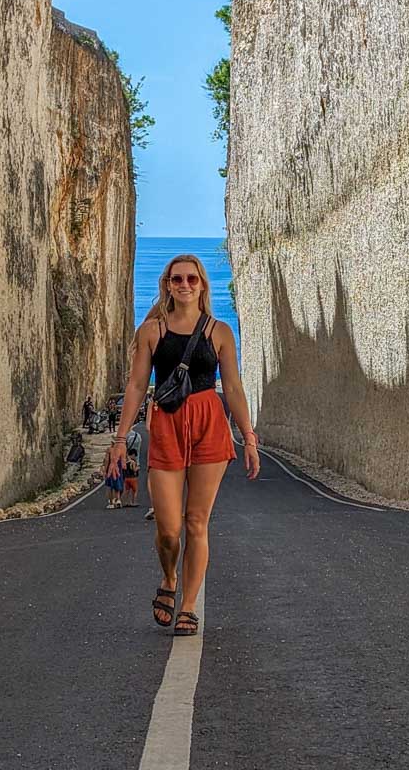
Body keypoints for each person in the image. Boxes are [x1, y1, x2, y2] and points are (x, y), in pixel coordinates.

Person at [104, 254, 260, 637]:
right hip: (168, 426)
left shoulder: (220, 332)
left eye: (192, 279)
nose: (185, 284)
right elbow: (138, 386)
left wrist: (249, 438)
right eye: (178, 279)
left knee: (196, 523)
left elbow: (235, 388)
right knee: (169, 529)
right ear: (168, 284)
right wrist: (121, 439)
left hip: (209, 425)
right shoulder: (152, 332)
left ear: (202, 285)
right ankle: (169, 577)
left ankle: (188, 606)